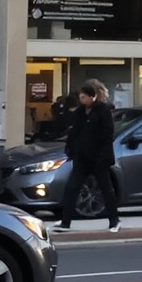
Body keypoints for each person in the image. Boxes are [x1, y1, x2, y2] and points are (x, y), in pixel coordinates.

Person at [58, 79, 120, 233]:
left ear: (92, 97)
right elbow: (74, 132)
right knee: (72, 187)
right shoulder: (79, 112)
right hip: (82, 157)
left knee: (106, 188)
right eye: (81, 97)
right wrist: (71, 149)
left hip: (98, 158)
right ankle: (65, 221)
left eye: (84, 97)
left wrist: (104, 154)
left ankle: (114, 220)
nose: (82, 100)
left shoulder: (102, 111)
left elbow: (107, 134)